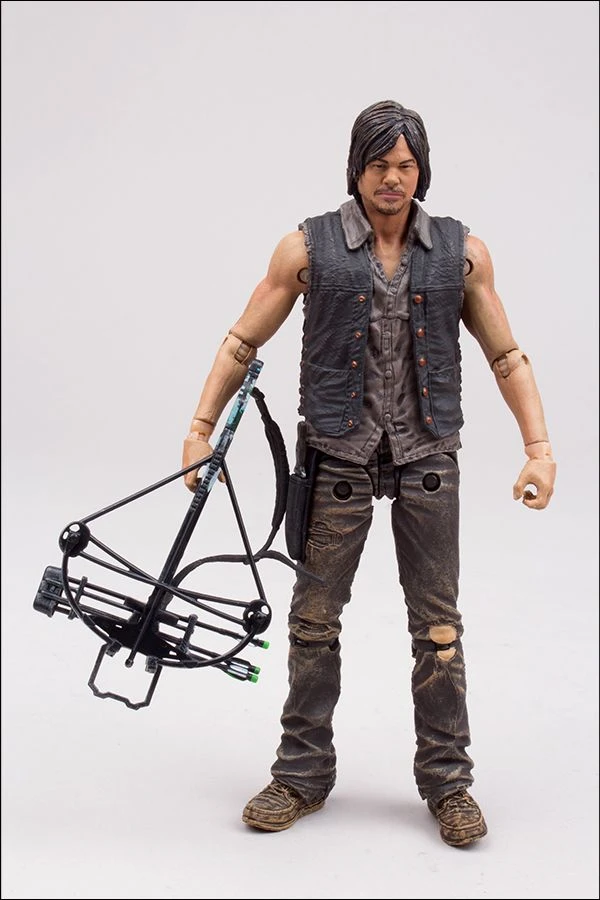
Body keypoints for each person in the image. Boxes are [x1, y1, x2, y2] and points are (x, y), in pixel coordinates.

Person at [182, 101, 556, 847]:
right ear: (355, 168)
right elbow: (241, 340)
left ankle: (448, 783)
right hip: (337, 456)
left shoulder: (462, 253)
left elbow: (505, 354)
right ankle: (301, 773)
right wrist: (199, 430)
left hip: (426, 458)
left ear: (423, 171)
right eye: (379, 164)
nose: (392, 179)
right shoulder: (307, 248)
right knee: (312, 623)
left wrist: (538, 446)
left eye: (406, 166)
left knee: (439, 629)